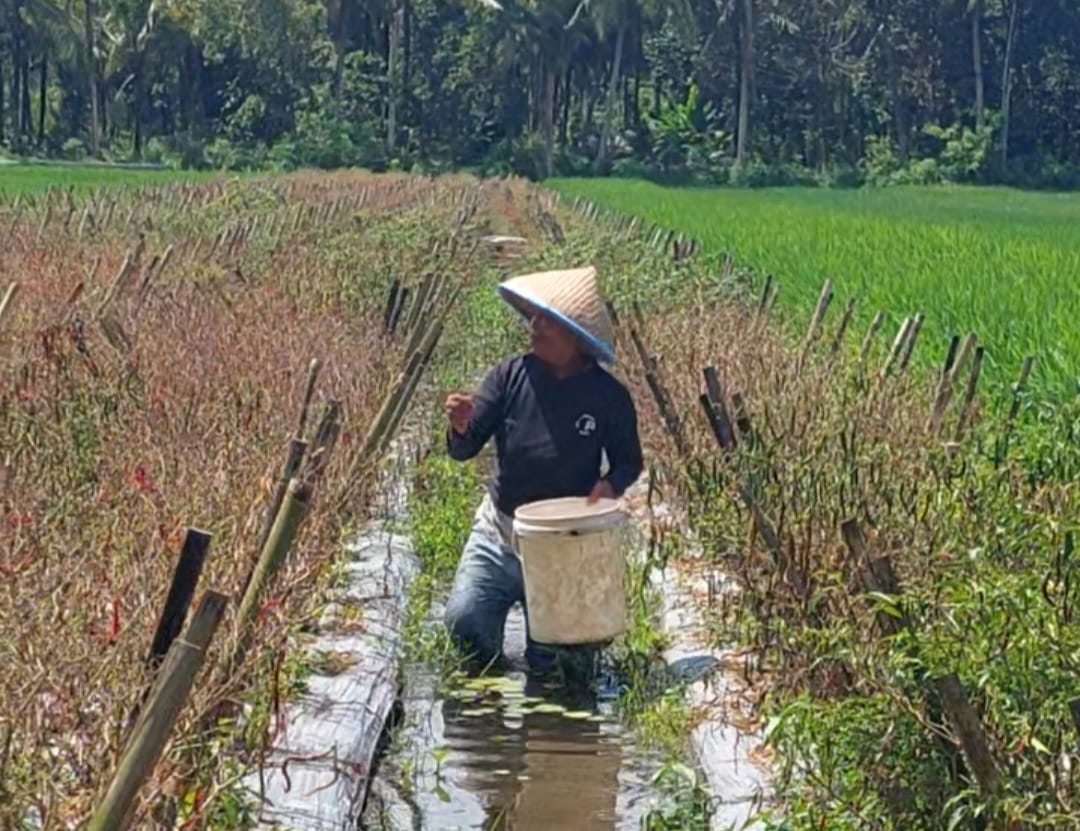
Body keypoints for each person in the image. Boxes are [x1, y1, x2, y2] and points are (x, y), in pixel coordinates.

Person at [442, 266, 644, 672]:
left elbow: (629, 462)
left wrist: (608, 487)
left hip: (562, 545)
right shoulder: (508, 377)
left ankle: (548, 666)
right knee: (466, 624)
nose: (533, 326)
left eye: (545, 319)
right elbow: (464, 449)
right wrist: (460, 426)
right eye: (532, 316)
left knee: (560, 664)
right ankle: (492, 692)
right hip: (501, 532)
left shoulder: (608, 396)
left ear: (575, 336)